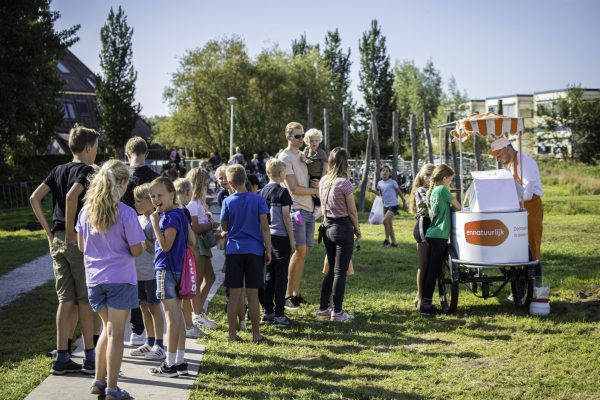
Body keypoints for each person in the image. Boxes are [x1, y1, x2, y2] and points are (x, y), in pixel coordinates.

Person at [29, 124, 99, 375]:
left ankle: (62, 357)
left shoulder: (58, 169)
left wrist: (50, 233)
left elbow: (34, 198)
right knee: (85, 299)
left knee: (65, 299)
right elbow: (72, 197)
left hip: (56, 240)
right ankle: (91, 358)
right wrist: (71, 233)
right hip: (75, 240)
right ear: (89, 148)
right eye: (97, 147)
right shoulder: (89, 171)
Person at [76, 160, 145, 399]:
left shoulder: (86, 211)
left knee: (107, 329)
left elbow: (82, 246)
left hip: (94, 279)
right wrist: (138, 244)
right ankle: (113, 389)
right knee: (117, 333)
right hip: (120, 278)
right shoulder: (126, 213)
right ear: (122, 182)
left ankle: (98, 380)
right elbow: (137, 250)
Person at [148, 177, 195, 377]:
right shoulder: (181, 214)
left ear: (171, 194)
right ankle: (180, 362)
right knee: (178, 318)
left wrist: (155, 224)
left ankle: (169, 364)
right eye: (152, 196)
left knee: (171, 318)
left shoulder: (166, 218)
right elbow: (192, 240)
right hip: (179, 270)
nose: (156, 200)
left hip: (165, 269)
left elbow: (165, 245)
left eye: (160, 195)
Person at [219, 165, 271, 342]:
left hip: (234, 250)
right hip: (255, 251)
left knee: (234, 294)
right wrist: (269, 250)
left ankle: (232, 334)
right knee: (253, 294)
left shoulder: (227, 201)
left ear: (231, 182)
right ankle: (256, 334)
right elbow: (265, 228)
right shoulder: (258, 200)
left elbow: (224, 227)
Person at [121, 136, 159, 347]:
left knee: (134, 286)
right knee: (150, 295)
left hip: (125, 237)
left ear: (128, 154)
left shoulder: (121, 178)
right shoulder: (154, 178)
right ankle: (149, 334)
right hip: (150, 233)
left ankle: (138, 329)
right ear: (147, 154)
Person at [315, 148, 361, 322]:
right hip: (342, 227)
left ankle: (323, 308)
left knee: (331, 270)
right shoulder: (344, 183)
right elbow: (353, 210)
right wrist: (357, 229)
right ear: (345, 163)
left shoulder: (324, 180)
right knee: (340, 272)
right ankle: (338, 312)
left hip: (327, 227)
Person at [278, 122, 319, 310]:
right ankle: (286, 295)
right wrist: (315, 191)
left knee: (303, 252)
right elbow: (293, 188)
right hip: (296, 210)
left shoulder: (302, 156)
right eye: (297, 136)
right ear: (288, 137)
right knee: (298, 250)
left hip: (308, 208)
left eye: (302, 136)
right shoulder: (285, 157)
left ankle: (295, 293)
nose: (301, 139)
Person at [490, 138, 544, 272]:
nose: (498, 159)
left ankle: (537, 284)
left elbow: (528, 194)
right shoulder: (512, 164)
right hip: (518, 206)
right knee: (516, 242)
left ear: (508, 149)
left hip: (532, 205)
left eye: (499, 155)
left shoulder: (526, 163)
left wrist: (507, 199)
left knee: (532, 243)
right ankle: (520, 281)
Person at [130, 184, 166, 361]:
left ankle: (160, 344)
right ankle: (149, 340)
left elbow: (157, 248)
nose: (135, 204)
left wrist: (142, 239)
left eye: (139, 200)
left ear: (149, 201)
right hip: (137, 273)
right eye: (135, 200)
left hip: (151, 272)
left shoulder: (155, 219)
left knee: (154, 307)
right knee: (143, 307)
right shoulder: (137, 219)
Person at [420, 164, 461, 317]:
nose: (450, 183)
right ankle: (426, 306)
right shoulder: (443, 190)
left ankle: (426, 304)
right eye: (450, 180)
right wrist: (452, 196)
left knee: (431, 271)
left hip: (432, 233)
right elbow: (458, 206)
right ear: (444, 178)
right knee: (433, 271)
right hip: (440, 235)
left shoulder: (431, 192)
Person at [259, 159, 296, 328]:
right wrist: (292, 240)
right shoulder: (283, 192)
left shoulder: (262, 192)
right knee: (281, 277)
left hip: (266, 237)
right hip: (281, 237)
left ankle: (268, 311)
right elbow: (287, 217)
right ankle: (280, 314)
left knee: (269, 275)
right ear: (281, 174)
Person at [185, 168, 220, 331]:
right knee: (197, 278)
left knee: (210, 277)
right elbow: (195, 227)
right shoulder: (192, 204)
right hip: (197, 243)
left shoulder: (199, 202)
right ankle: (197, 314)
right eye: (206, 183)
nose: (208, 186)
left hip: (203, 244)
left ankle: (198, 310)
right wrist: (211, 224)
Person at [173, 178, 206, 340]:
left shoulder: (163, 211)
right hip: (182, 259)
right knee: (184, 295)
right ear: (187, 192)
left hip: (166, 261)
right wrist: (194, 255)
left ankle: (181, 327)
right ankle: (187, 326)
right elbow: (191, 239)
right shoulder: (183, 211)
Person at [408, 164, 435, 309]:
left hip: (432, 229)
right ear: (425, 178)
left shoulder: (435, 190)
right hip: (423, 228)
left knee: (430, 265)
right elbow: (426, 205)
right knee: (423, 265)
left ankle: (424, 297)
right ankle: (420, 296)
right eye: (431, 177)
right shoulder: (421, 190)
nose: (433, 180)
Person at [369, 165, 406, 248]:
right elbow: (380, 194)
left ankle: (386, 241)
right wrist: (372, 191)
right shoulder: (379, 183)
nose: (385, 172)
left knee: (385, 221)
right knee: (389, 224)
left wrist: (404, 201)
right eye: (383, 171)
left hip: (393, 205)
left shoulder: (392, 182)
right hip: (385, 206)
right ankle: (394, 243)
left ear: (389, 173)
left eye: (387, 171)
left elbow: (399, 192)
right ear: (380, 173)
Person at [303, 128, 328, 218]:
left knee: (316, 191)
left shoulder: (321, 153)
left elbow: (325, 166)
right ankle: (315, 206)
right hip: (308, 175)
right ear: (307, 141)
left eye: (316, 141)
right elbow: (302, 157)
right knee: (311, 192)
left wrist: (322, 179)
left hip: (318, 175)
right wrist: (305, 159)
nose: (314, 143)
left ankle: (319, 206)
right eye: (312, 141)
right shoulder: (306, 150)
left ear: (319, 141)